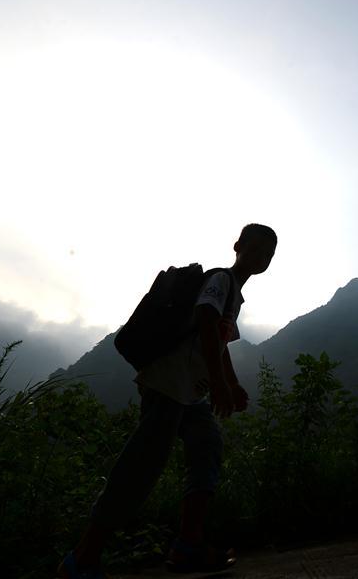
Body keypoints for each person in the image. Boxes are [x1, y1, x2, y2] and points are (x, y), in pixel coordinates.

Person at [58, 223, 277, 579]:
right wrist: (221, 385)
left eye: (267, 254)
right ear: (238, 246)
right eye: (254, 248)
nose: (260, 257)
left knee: (207, 445)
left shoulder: (234, 296)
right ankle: (83, 558)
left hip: (190, 393)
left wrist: (232, 384)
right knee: (142, 465)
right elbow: (206, 320)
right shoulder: (220, 281)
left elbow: (219, 345)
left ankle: (188, 545)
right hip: (168, 384)